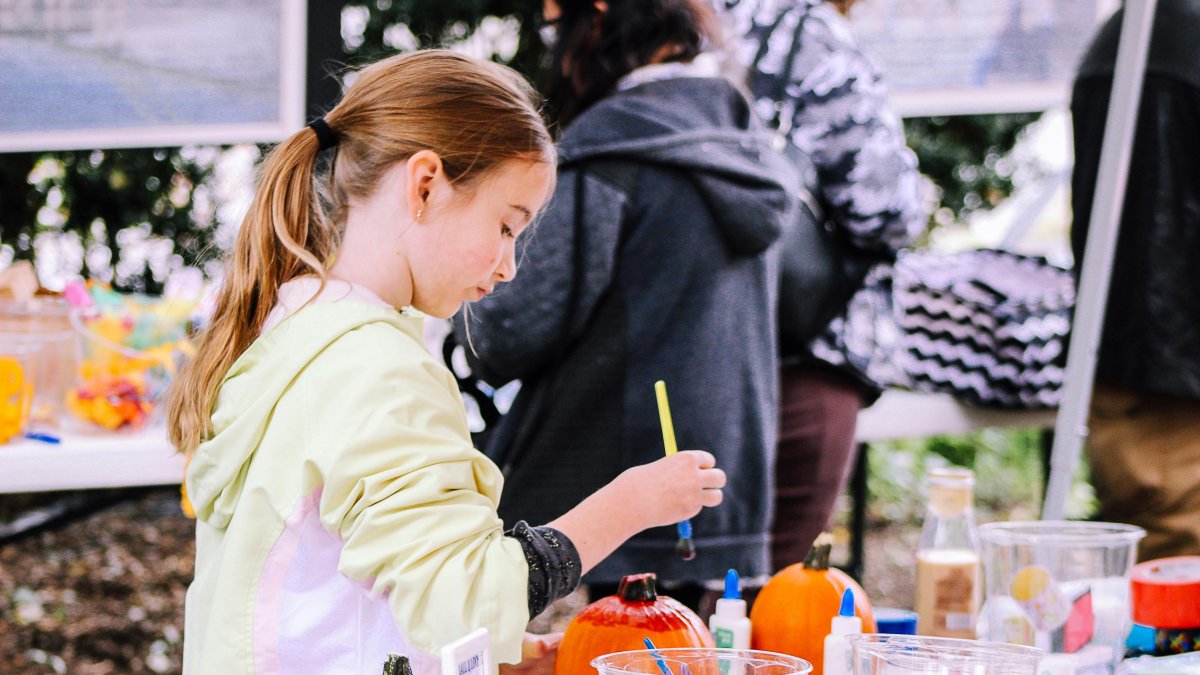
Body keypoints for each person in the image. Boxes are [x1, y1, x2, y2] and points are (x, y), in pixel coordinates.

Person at [166, 50, 726, 674]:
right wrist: (632, 503)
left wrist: (490, 657)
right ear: (425, 185)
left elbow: (349, 579)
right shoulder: (377, 370)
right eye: (507, 226)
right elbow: (465, 601)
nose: (509, 267)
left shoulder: (294, 330)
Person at [455, 0, 796, 605]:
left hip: (601, 494)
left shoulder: (611, 149)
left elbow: (510, 330)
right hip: (723, 484)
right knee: (689, 647)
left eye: (556, 24)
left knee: (601, 649)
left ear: (597, 18)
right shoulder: (747, 147)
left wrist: (462, 307)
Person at [720, 0, 926, 571]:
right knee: (777, 588)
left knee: (658, 596)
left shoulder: (641, 26)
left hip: (674, 356)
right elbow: (885, 206)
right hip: (799, 350)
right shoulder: (805, 31)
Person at [1070, 0, 1200, 561]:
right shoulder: (1171, 44)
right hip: (1166, 385)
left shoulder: (1142, 38)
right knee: (1177, 576)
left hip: (1150, 373)